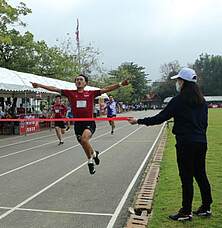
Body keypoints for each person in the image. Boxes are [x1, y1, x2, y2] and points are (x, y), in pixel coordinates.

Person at [127, 68, 212, 221]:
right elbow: (204, 124)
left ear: (183, 82)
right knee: (201, 175)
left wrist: (139, 121)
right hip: (201, 142)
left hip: (186, 143)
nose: (177, 83)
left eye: (178, 80)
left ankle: (186, 212)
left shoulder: (178, 100)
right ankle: (206, 207)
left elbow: (161, 118)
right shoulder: (202, 101)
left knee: (186, 178)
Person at [31, 74, 130, 174]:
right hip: (78, 124)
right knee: (84, 144)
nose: (79, 81)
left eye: (81, 80)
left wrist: (121, 84)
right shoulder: (71, 93)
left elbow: (107, 89)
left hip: (89, 123)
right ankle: (94, 153)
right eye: (77, 80)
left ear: (85, 83)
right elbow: (55, 89)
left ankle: (90, 161)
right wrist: (39, 85)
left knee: (84, 139)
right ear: (75, 83)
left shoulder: (91, 93)